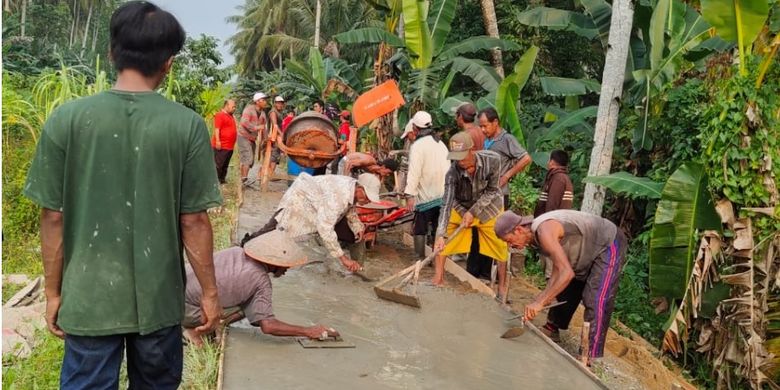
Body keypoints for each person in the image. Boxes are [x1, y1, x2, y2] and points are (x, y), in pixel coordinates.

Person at [23, 2, 223, 388]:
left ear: (112, 52)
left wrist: (52, 293)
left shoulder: (67, 119)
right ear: (169, 62)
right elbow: (194, 220)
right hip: (159, 303)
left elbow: (52, 216)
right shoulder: (187, 126)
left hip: (89, 299)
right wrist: (210, 294)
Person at [493, 210, 627, 361]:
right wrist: (542, 297)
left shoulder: (544, 230)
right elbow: (558, 269)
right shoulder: (536, 238)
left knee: (596, 298)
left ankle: (589, 355)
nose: (511, 246)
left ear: (518, 230)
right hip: (585, 251)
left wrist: (539, 303)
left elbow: (566, 272)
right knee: (565, 286)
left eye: (509, 241)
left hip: (609, 242)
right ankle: (553, 327)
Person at [183, 234, 340, 346]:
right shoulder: (260, 280)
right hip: (185, 310)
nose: (287, 270)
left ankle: (208, 325)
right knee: (256, 306)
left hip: (174, 291)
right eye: (286, 266)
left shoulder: (236, 252)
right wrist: (308, 331)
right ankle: (194, 332)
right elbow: (268, 325)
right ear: (274, 262)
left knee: (252, 305)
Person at [240, 173, 383, 273]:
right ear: (360, 188)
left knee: (354, 234)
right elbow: (325, 228)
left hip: (319, 205)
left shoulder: (352, 189)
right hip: (300, 199)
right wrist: (343, 258)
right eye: (367, 196)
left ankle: (358, 268)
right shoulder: (338, 197)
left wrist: (358, 226)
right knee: (276, 229)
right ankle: (246, 247)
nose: (369, 201)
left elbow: (349, 208)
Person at [432, 132, 508, 296]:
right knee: (442, 242)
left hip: (489, 207)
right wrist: (440, 234)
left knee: (500, 245)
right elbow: (447, 203)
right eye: (456, 157)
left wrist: (474, 212)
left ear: (472, 149)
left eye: (462, 156)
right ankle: (438, 280)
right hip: (461, 207)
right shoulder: (452, 173)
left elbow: (492, 190)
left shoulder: (492, 160)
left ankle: (502, 288)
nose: (459, 161)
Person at [402, 110, 450, 258]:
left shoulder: (418, 146)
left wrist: (410, 194)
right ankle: (437, 259)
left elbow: (414, 172)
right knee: (438, 228)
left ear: (415, 129)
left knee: (420, 229)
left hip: (426, 195)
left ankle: (419, 258)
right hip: (443, 193)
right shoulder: (440, 144)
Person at [478, 107, 532, 208]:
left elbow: (526, 158)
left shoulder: (507, 139)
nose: (483, 130)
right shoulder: (487, 140)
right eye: (481, 127)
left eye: (485, 126)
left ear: (495, 122)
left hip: (500, 194)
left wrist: (506, 176)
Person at [534, 150, 574, 279]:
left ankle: (550, 278)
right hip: (555, 221)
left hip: (552, 222)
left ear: (551, 162)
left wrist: (546, 220)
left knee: (551, 250)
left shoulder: (558, 179)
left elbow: (552, 203)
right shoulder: (558, 177)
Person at [238, 92, 268, 185]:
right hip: (243, 136)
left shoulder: (262, 113)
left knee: (250, 161)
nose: (265, 102)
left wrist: (265, 139)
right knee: (248, 157)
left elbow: (263, 128)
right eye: (263, 100)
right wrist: (256, 128)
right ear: (257, 101)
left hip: (252, 138)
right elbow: (244, 122)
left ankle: (243, 178)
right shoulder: (249, 109)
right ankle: (244, 179)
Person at [212, 99, 237, 184]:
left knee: (225, 164)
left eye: (235, 107)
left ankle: (222, 179)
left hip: (229, 146)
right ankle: (216, 181)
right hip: (222, 145)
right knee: (218, 164)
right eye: (233, 106)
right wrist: (218, 141)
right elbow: (217, 129)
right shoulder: (220, 115)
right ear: (226, 106)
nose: (234, 108)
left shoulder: (231, 116)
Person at [260, 95, 285, 180]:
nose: (280, 105)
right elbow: (275, 125)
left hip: (276, 136)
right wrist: (281, 134)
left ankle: (270, 173)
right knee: (273, 156)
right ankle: (270, 174)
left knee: (275, 155)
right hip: (273, 137)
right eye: (278, 103)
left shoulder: (279, 112)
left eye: (281, 103)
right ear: (274, 103)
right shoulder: (273, 112)